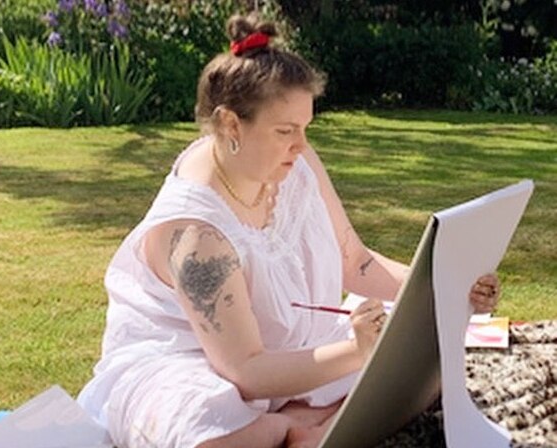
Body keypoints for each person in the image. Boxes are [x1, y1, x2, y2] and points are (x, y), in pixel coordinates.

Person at [77, 13, 501, 448]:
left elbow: (354, 261)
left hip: (290, 345)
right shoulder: (195, 235)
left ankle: (303, 425)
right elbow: (244, 370)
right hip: (188, 367)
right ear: (230, 125)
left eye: (305, 129)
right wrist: (357, 353)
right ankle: (294, 429)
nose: (300, 146)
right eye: (285, 131)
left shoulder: (294, 161)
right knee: (200, 431)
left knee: (423, 357)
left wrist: (449, 286)